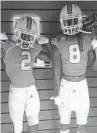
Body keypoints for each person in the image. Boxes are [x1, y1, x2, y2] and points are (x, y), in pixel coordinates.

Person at [50, 4, 97, 133]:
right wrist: (56, 90)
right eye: (68, 21)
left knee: (82, 125)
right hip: (66, 85)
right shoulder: (58, 40)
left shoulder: (87, 38)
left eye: (73, 21)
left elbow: (95, 66)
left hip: (81, 84)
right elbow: (56, 70)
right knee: (64, 123)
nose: (70, 25)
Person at [0, 16, 50, 133]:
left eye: (29, 36)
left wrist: (47, 43)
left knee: (33, 123)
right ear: (16, 33)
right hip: (17, 92)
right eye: (24, 35)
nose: (26, 39)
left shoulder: (11, 46)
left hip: (30, 90)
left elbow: (50, 58)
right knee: (17, 128)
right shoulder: (7, 47)